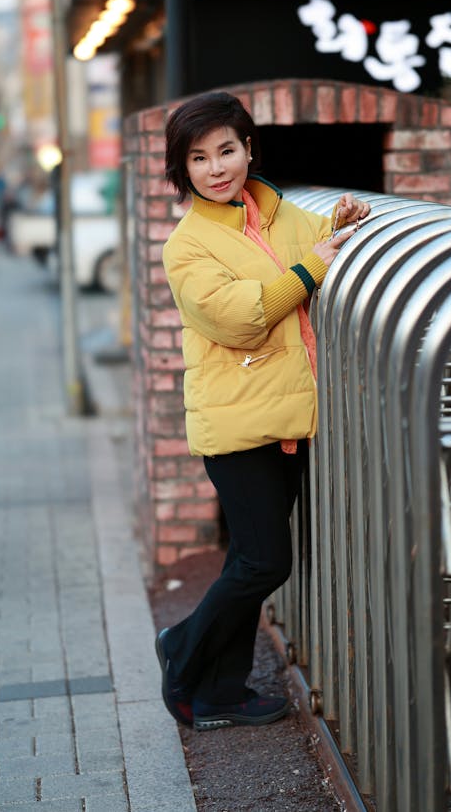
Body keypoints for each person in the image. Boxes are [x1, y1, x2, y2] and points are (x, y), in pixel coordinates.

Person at [156, 91, 370, 732]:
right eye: (199, 158)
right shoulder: (187, 246)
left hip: (282, 418)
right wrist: (311, 267)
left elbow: (323, 248)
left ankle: (223, 688)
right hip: (236, 423)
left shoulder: (279, 214)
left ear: (249, 148)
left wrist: (343, 222)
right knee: (263, 561)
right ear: (182, 170)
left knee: (248, 558)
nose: (217, 167)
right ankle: (183, 657)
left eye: (227, 149)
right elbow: (242, 317)